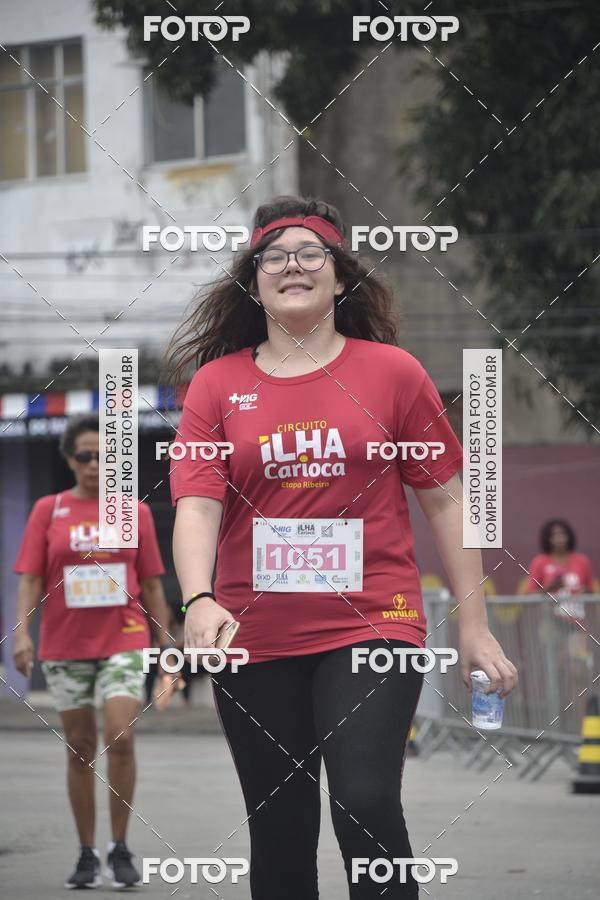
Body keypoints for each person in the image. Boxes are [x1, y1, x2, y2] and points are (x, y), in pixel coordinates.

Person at [166, 196, 518, 899]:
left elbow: (449, 501)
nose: (292, 266)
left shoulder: (393, 374)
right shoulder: (217, 385)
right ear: (253, 280)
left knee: (364, 799)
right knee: (281, 830)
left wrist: (475, 628)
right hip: (253, 635)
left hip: (372, 622)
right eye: (274, 256)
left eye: (310, 254)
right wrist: (199, 599)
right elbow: (198, 505)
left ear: (340, 277)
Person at [12, 414, 172, 889]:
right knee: (80, 747)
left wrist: (165, 646)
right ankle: (86, 854)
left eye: (104, 456)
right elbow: (31, 578)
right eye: (84, 455)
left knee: (120, 737)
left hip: (124, 637)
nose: (94, 464)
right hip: (65, 645)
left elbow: (153, 584)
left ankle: (120, 848)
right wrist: (21, 634)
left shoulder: (134, 512)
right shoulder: (49, 509)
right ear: (68, 459)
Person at [525, 519, 595, 620]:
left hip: (578, 621)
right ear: (548, 539)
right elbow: (528, 596)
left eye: (563, 534)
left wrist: (583, 591)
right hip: (551, 621)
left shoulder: (582, 561)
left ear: (569, 536)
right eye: (554, 535)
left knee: (577, 636)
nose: (559, 539)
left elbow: (591, 592)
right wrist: (548, 589)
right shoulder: (540, 562)